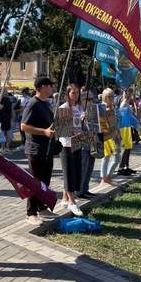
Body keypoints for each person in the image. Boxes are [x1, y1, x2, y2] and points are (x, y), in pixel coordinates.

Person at [21, 77, 59, 225]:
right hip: (35, 149)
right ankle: (31, 212)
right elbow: (23, 126)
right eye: (50, 86)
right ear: (42, 87)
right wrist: (44, 132)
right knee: (34, 182)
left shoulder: (46, 103)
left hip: (47, 149)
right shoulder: (33, 103)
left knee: (45, 181)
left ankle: (42, 207)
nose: (52, 88)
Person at [57, 84, 84, 216]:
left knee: (75, 171)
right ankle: (72, 203)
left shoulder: (78, 107)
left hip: (78, 143)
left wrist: (83, 120)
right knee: (68, 172)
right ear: (67, 94)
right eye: (73, 93)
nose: (76, 95)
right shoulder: (63, 108)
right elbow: (62, 130)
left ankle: (65, 198)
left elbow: (80, 125)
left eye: (77, 93)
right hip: (66, 145)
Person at [76, 88, 97, 199]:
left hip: (91, 142)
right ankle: (79, 191)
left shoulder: (92, 110)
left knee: (89, 167)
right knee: (83, 167)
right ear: (82, 99)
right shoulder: (79, 110)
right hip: (82, 144)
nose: (91, 101)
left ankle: (85, 189)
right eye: (88, 99)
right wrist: (81, 120)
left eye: (92, 99)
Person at [99, 88, 121, 186]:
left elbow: (116, 123)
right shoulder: (102, 109)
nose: (111, 98)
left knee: (117, 159)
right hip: (106, 137)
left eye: (112, 96)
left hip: (115, 136)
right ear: (104, 97)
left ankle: (107, 177)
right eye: (108, 96)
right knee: (106, 157)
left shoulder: (114, 108)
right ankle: (104, 178)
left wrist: (119, 133)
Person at [117, 89, 137, 175]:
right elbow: (124, 117)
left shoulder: (127, 103)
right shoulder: (124, 103)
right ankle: (121, 168)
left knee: (129, 147)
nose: (132, 95)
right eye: (131, 93)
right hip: (124, 128)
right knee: (126, 148)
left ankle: (126, 166)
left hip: (128, 127)